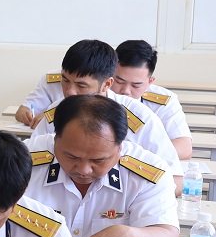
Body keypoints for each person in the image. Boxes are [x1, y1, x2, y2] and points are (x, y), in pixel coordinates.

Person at [25, 95, 178, 237]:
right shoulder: (22, 161)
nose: (84, 170)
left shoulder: (147, 173)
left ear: (120, 147)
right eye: (71, 156)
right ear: (55, 139)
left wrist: (129, 235)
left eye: (98, 160)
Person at [28, 39, 178, 171]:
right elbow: (32, 161)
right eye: (65, 80)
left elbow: (174, 176)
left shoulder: (140, 118)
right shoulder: (55, 113)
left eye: (81, 85)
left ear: (106, 84)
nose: (69, 91)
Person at [112, 39, 193, 161]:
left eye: (136, 85)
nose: (126, 91)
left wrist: (138, 155)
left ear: (150, 82)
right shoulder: (97, 93)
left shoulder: (163, 101)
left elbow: (184, 148)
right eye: (119, 81)